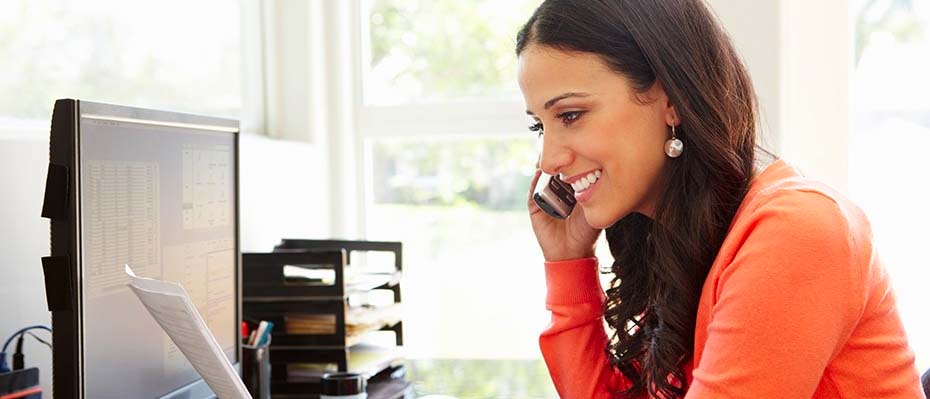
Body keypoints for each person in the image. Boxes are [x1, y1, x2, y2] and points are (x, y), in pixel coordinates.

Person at [516, 0, 926, 398]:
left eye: (570, 115)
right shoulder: (680, 243)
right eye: (540, 127)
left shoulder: (797, 230)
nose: (550, 160)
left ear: (672, 99)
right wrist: (568, 264)